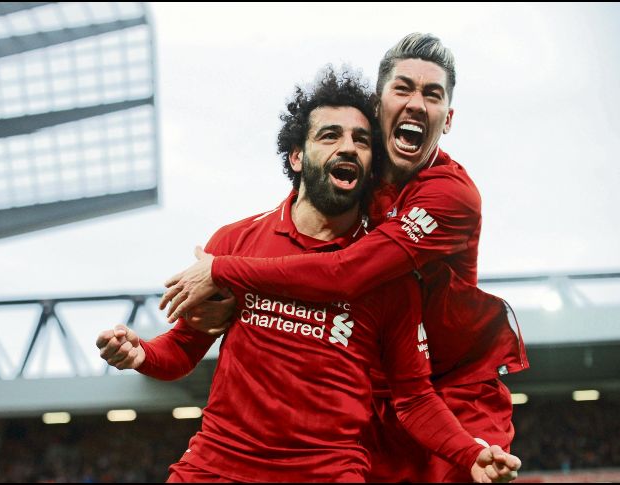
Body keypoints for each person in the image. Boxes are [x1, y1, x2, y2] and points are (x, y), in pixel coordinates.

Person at [98, 67, 520, 482]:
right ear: (297, 156)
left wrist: (470, 454)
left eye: (361, 140)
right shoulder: (235, 241)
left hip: (328, 472)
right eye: (330, 135)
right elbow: (181, 350)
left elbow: (414, 398)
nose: (348, 147)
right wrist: (140, 354)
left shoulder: (386, 276)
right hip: (217, 466)